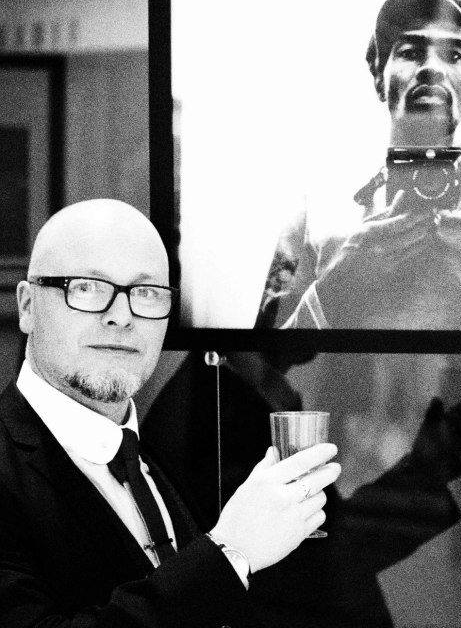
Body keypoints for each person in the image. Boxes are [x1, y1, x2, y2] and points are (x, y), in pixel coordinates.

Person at [0, 198, 342, 628]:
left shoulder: (151, 458)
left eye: (145, 293)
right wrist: (230, 554)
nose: (121, 316)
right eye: (86, 288)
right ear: (28, 306)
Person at [257, 0, 461, 331]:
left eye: (454, 55)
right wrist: (334, 291)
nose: (432, 68)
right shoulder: (318, 211)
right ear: (379, 76)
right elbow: (257, 358)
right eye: (410, 52)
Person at [142, 349, 461, 628]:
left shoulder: (234, 392)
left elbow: (324, 547)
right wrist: (424, 471)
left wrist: (426, 468)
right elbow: (305, 571)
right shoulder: (211, 408)